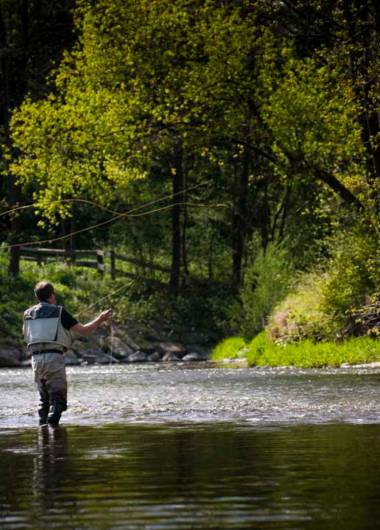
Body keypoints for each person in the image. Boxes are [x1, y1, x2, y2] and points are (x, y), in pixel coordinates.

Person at [23, 281, 112, 427]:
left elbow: (26, 334)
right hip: (54, 358)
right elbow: (85, 331)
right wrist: (101, 318)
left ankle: (43, 436)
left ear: (37, 297)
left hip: (35, 360)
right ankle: (55, 436)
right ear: (52, 295)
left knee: (44, 401)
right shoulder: (59, 311)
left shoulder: (27, 314)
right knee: (58, 401)